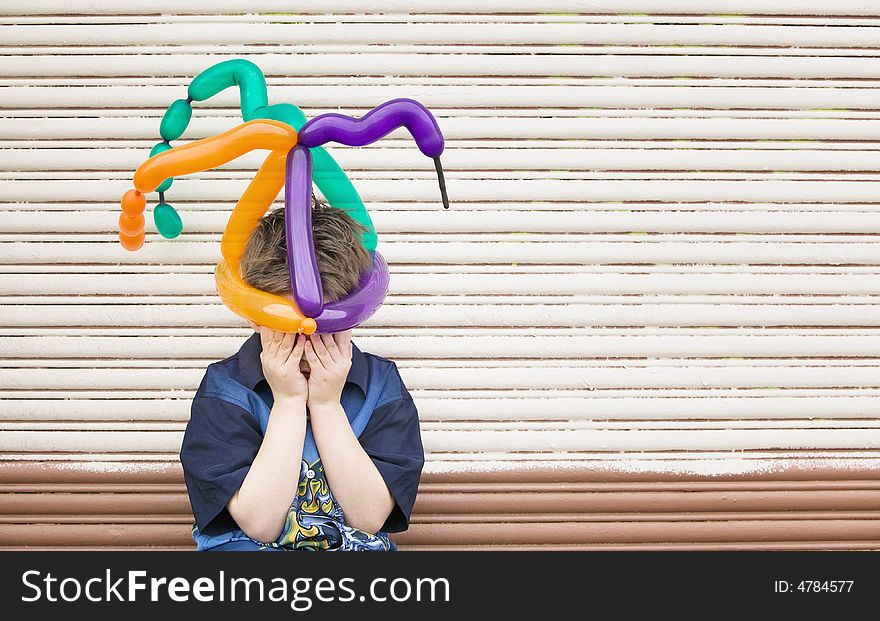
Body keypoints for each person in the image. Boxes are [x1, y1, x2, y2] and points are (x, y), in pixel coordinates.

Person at [179, 198, 424, 551]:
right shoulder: (225, 389)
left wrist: (326, 405)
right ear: (254, 316)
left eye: (326, 327)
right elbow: (260, 524)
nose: (307, 344)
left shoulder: (382, 385)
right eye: (287, 327)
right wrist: (289, 401)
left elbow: (371, 519)